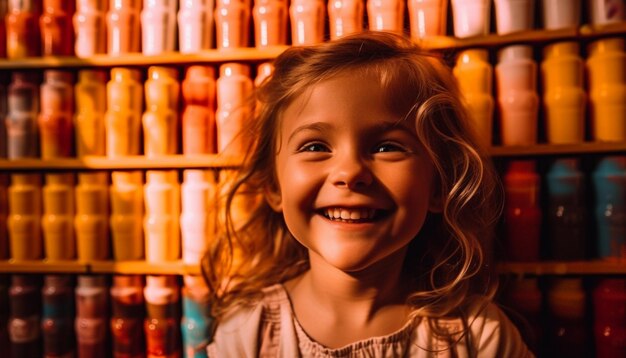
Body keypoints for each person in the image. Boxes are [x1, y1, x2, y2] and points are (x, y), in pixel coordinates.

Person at [202, 31, 534, 357]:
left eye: (387, 147)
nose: (350, 173)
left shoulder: (479, 337)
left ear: (439, 184)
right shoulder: (248, 334)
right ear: (274, 186)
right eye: (315, 146)